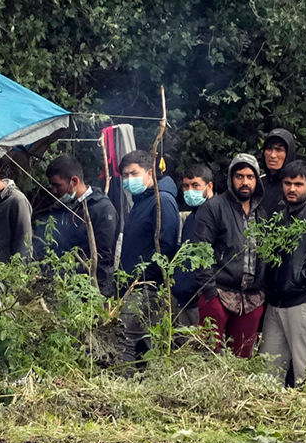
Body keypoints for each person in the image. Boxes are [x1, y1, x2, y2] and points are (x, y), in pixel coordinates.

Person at [259, 160, 306, 387]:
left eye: (298, 184)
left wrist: (297, 279)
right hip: (277, 301)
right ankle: (270, 415)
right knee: (268, 370)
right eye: (287, 183)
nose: (292, 189)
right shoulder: (279, 215)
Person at [192, 154, 267, 358]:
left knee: (241, 360)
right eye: (239, 176)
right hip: (219, 293)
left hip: (251, 299)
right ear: (231, 179)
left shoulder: (263, 213)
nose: (245, 182)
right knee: (207, 356)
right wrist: (210, 292)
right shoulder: (214, 207)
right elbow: (200, 251)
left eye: (250, 177)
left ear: (257, 180)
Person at [116, 150, 180, 367]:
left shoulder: (162, 201)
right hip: (132, 286)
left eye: (133, 173)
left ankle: (123, 387)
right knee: (140, 344)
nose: (128, 180)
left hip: (146, 286)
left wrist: (146, 280)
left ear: (150, 172)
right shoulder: (141, 202)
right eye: (124, 175)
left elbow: (166, 247)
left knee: (123, 340)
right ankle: (139, 387)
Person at [41, 155, 119, 295]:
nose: (54, 190)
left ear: (74, 181)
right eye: (52, 185)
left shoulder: (102, 209)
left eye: (57, 185)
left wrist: (98, 295)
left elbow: (104, 257)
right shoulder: (61, 207)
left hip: (89, 289)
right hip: (63, 287)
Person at [171, 163, 214, 325]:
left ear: (209, 186)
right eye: (186, 186)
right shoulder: (191, 218)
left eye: (195, 185)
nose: (190, 191)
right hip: (183, 299)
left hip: (200, 301)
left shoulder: (214, 216)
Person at [260, 128, 297, 211]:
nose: (273, 155)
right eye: (269, 148)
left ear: (289, 153)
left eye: (279, 149)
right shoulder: (259, 183)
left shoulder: (300, 184)